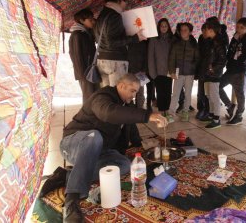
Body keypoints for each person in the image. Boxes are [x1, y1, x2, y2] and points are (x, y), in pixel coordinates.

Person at [50, 74, 167, 222]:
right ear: (121, 85)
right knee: (95, 137)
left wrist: (142, 145)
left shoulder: (126, 104)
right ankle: (72, 201)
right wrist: (148, 115)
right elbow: (109, 113)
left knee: (124, 164)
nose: (134, 95)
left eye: (136, 92)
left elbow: (130, 126)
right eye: (132, 90)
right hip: (74, 144)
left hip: (100, 150)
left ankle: (68, 176)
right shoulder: (103, 97)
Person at [95, 0, 146, 88]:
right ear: (119, 0)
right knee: (118, 93)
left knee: (107, 95)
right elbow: (112, 42)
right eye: (125, 1)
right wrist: (135, 38)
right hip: (115, 61)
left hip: (101, 59)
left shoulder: (101, 15)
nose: (125, 5)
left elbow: (100, 39)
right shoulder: (115, 16)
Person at [219, 17, 246, 125]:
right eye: (237, 27)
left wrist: (241, 62)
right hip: (230, 69)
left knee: (239, 94)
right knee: (217, 86)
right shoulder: (236, 36)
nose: (238, 29)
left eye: (242, 27)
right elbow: (230, 50)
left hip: (239, 71)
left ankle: (239, 115)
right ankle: (230, 106)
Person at [168, 22, 199, 121]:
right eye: (181, 30)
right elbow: (171, 59)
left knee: (188, 94)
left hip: (190, 74)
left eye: (185, 30)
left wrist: (195, 70)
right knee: (175, 94)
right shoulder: (176, 44)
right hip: (178, 73)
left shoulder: (194, 44)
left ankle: (185, 112)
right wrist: (172, 71)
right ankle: (171, 114)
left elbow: (197, 59)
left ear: (190, 32)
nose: (183, 32)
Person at [200, 21, 227, 129]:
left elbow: (223, 60)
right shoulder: (211, 41)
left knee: (215, 96)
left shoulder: (219, 43)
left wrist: (213, 68)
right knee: (209, 95)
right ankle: (211, 115)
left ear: (211, 30)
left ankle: (216, 119)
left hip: (215, 74)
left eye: (206, 29)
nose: (205, 31)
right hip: (209, 72)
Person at [68, 8, 98, 103]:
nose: (93, 22)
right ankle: (87, 116)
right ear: (81, 21)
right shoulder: (78, 35)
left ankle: (90, 115)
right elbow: (77, 57)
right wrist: (83, 75)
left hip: (88, 70)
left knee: (92, 95)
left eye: (93, 19)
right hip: (84, 72)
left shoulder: (85, 33)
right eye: (90, 20)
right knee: (89, 97)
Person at [148, 18, 174, 122]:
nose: (163, 28)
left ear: (168, 27)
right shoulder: (154, 39)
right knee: (160, 92)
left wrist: (173, 70)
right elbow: (150, 56)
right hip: (157, 71)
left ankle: (167, 112)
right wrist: (152, 72)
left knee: (168, 92)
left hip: (168, 71)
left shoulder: (171, 39)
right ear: (158, 27)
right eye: (162, 26)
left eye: (165, 26)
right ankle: (162, 112)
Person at [195, 23, 211, 120]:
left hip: (209, 70)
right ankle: (201, 109)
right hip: (201, 68)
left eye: (206, 30)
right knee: (200, 92)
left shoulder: (213, 40)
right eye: (203, 30)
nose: (204, 32)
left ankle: (207, 111)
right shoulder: (201, 38)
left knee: (207, 93)